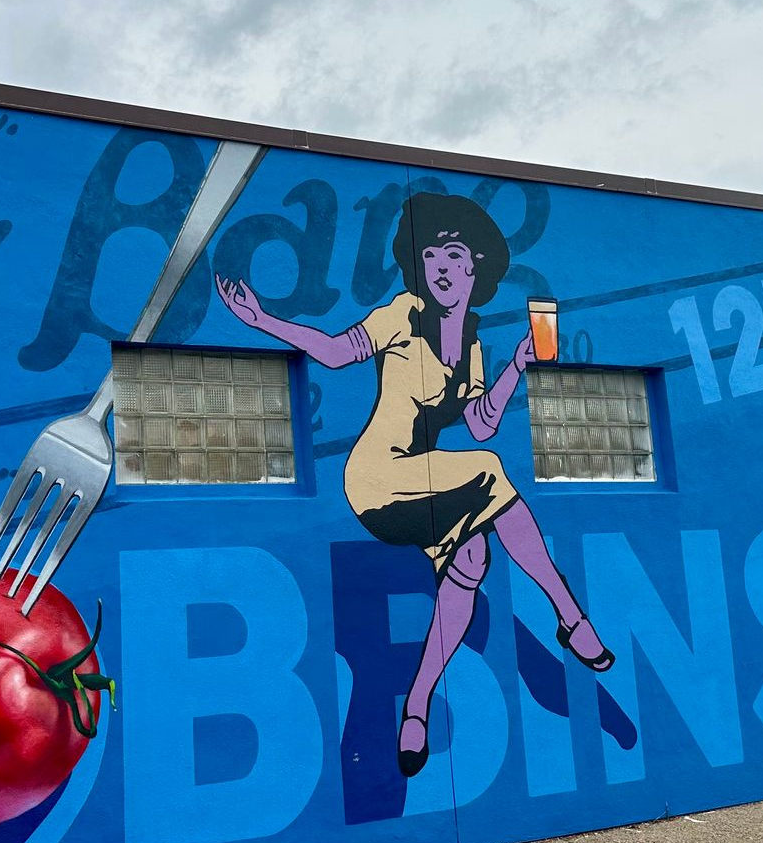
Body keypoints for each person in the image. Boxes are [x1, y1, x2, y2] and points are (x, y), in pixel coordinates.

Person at [215, 191, 616, 777]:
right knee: (490, 470)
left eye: (453, 256)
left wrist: (517, 365)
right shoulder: (402, 314)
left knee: (471, 562)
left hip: (427, 488)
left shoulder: (472, 345)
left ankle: (418, 706)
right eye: (430, 257)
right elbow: (335, 353)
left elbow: (481, 423)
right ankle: (570, 616)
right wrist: (263, 321)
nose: (441, 269)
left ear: (475, 268)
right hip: (377, 479)